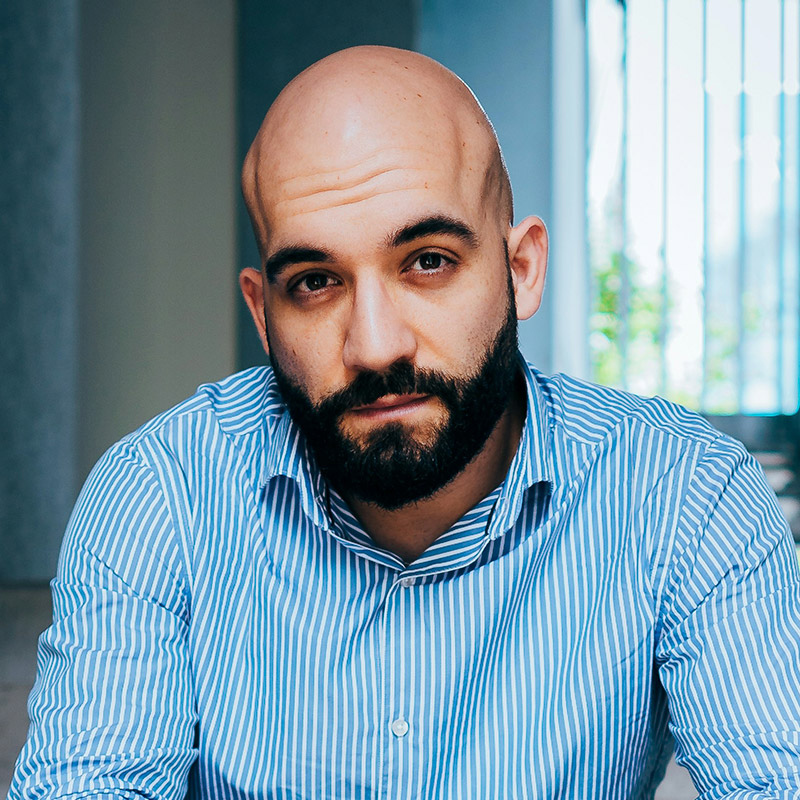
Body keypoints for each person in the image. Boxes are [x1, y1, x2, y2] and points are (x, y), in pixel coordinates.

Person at [9, 45, 800, 800]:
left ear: (520, 270)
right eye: (314, 281)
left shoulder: (684, 495)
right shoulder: (160, 494)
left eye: (428, 262)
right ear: (262, 313)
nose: (375, 344)